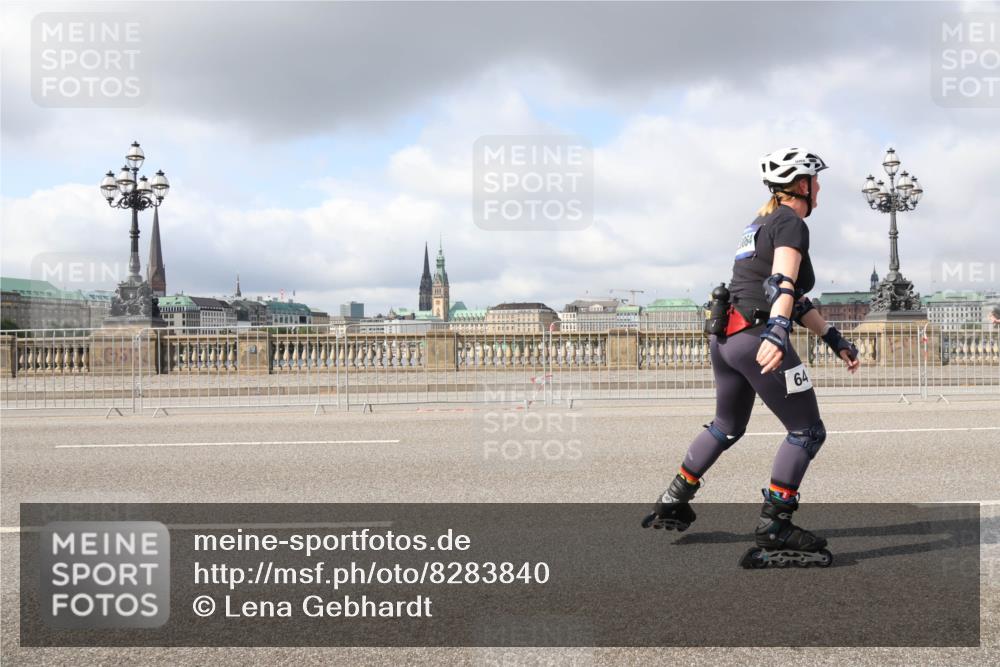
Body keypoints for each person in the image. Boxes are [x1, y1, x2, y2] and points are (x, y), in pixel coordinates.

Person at [642, 148, 860, 568]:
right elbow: (782, 284)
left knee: (726, 426)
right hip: (758, 337)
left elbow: (785, 292)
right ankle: (775, 524)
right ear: (803, 186)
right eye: (817, 183)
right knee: (807, 431)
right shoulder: (790, 221)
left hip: (726, 341)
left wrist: (833, 337)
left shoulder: (758, 225)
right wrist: (777, 335)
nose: (820, 190)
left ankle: (674, 498)